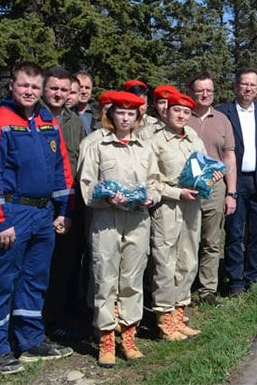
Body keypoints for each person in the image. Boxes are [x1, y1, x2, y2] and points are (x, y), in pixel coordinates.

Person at [0, 61, 74, 374]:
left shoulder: (48, 122)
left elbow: (62, 170)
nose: (29, 92)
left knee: (35, 280)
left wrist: (64, 211)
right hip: (13, 213)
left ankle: (30, 341)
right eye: (24, 86)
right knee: (3, 281)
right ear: (11, 86)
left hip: (44, 214)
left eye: (34, 86)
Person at [77, 91, 157, 367]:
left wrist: (151, 196)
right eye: (120, 113)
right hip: (107, 219)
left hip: (137, 220)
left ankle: (129, 334)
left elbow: (154, 182)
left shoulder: (144, 148)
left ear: (137, 118)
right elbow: (86, 184)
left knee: (132, 278)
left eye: (130, 113)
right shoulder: (98, 145)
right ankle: (106, 338)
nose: (125, 118)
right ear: (110, 115)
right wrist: (105, 197)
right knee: (105, 277)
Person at [148, 93, 220, 340]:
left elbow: (204, 167)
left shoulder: (193, 139)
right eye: (176, 110)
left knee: (188, 260)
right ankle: (164, 318)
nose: (181, 115)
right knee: (165, 262)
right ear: (166, 112)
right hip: (168, 207)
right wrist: (176, 192)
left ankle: (179, 313)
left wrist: (211, 176)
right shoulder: (155, 141)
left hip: (192, 206)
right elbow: (150, 182)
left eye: (186, 112)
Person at [216, 68, 257, 297]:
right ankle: (235, 280)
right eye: (244, 84)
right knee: (234, 232)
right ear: (236, 86)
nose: (249, 88)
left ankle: (252, 277)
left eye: (253, 85)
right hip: (235, 181)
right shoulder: (223, 112)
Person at [40, 67, 87, 339]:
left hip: (70, 200)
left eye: (65, 90)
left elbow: (80, 161)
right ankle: (44, 319)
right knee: (42, 264)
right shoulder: (34, 117)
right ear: (45, 89)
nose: (60, 94)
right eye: (54, 89)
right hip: (41, 201)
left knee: (67, 261)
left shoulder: (74, 122)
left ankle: (63, 314)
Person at [186, 72, 238, 307]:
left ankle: (208, 289)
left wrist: (231, 192)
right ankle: (183, 288)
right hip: (188, 186)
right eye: (200, 90)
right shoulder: (182, 116)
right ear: (191, 93)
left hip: (215, 187)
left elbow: (229, 157)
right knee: (186, 240)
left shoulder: (222, 119)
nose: (205, 94)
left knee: (211, 239)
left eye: (209, 90)